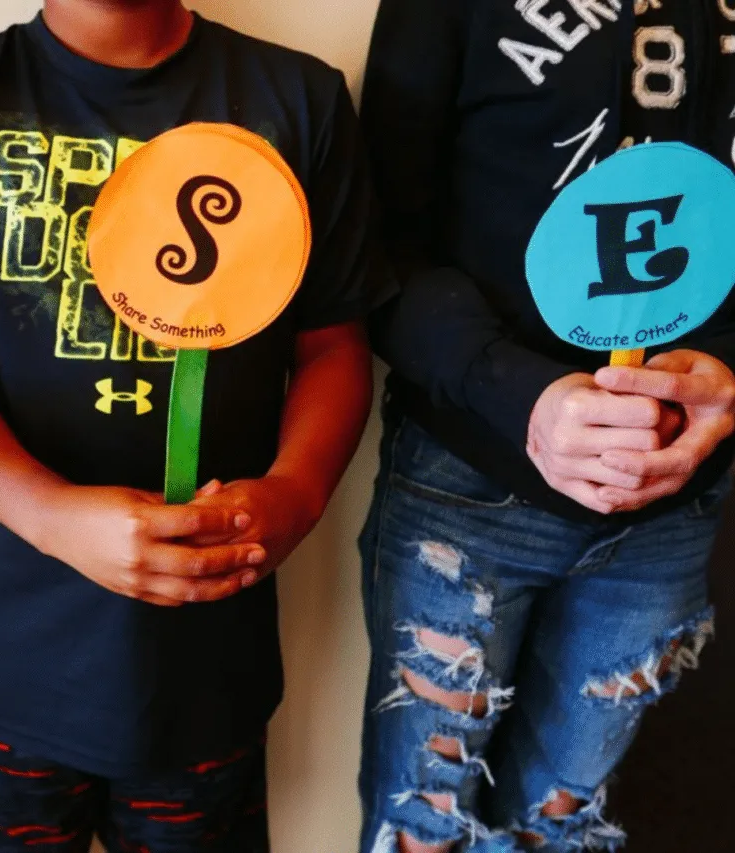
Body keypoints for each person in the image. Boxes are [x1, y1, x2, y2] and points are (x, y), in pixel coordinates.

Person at [0, 0, 391, 850]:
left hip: (203, 664)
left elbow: (334, 347)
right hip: (1, 661)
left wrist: (295, 494)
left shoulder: (298, 99)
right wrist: (55, 517)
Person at [358, 1, 735, 850]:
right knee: (421, 824)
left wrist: (730, 376)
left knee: (567, 829)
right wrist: (519, 393)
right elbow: (378, 241)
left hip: (679, 501)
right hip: (466, 483)